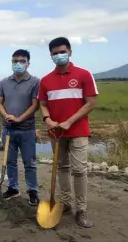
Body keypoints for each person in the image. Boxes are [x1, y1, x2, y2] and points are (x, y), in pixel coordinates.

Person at [38, 37, 98, 228]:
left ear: (70, 52)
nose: (58, 56)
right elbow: (43, 104)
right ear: (50, 56)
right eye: (55, 53)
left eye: (62, 51)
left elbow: (91, 103)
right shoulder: (46, 80)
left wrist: (69, 121)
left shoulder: (84, 75)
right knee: (61, 168)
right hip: (56, 133)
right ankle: (65, 204)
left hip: (78, 131)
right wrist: (47, 119)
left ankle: (81, 209)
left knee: (79, 170)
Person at [0, 49, 40, 205]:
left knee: (30, 162)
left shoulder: (35, 82)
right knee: (10, 161)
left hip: (27, 129)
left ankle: (33, 190)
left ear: (28, 63)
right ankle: (13, 188)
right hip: (8, 129)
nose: (18, 64)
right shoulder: (4, 82)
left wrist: (19, 118)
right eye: (15, 61)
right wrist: (6, 115)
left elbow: (35, 105)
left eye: (22, 61)